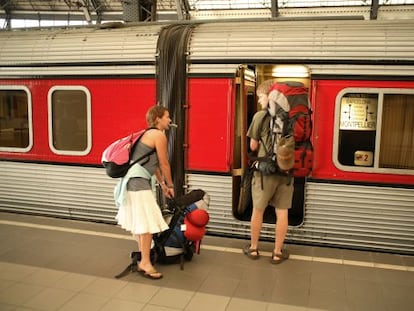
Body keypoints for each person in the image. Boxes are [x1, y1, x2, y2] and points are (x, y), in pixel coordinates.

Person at [115, 105, 175, 279]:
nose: (170, 120)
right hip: (138, 183)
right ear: (158, 119)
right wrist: (170, 185)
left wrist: (162, 185)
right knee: (146, 224)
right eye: (167, 117)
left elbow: (152, 163)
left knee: (143, 223)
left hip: (134, 181)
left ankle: (144, 260)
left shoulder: (148, 134)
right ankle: (145, 263)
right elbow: (164, 163)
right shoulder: (158, 135)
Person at [243, 79, 293, 264]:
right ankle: (277, 252)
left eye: (261, 97)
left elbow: (253, 145)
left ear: (270, 96)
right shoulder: (291, 117)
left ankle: (254, 249)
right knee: (282, 212)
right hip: (286, 172)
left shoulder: (260, 116)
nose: (259, 101)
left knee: (258, 210)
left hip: (265, 173)